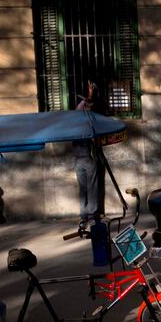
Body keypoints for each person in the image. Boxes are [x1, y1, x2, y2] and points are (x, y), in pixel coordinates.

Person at [74, 81, 99, 228]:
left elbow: (80, 109)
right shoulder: (88, 125)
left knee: (83, 188)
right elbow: (83, 109)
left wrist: (87, 97)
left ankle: (84, 216)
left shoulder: (73, 127)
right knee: (91, 187)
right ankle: (92, 214)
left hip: (78, 160)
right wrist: (89, 96)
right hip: (87, 159)